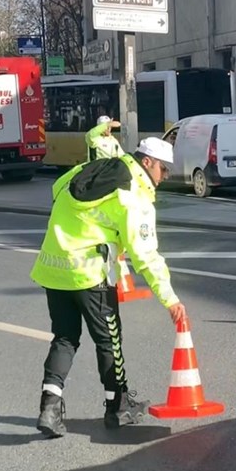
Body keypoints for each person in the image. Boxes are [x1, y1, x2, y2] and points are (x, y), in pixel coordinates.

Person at [30, 137, 186, 438]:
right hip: (91, 275)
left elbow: (56, 189)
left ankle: (49, 409)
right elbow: (146, 255)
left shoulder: (90, 168)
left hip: (53, 268)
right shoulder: (134, 195)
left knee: (64, 337)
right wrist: (170, 299)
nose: (164, 177)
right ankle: (118, 407)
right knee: (109, 341)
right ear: (148, 162)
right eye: (164, 170)